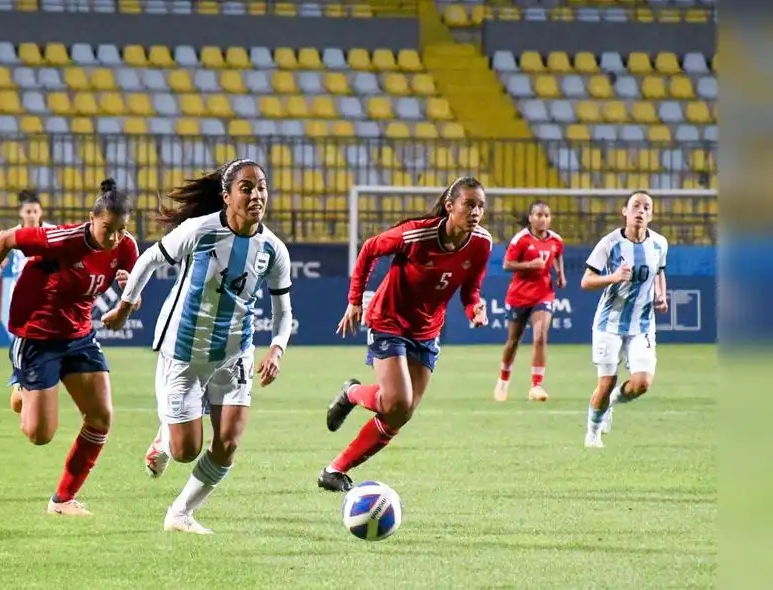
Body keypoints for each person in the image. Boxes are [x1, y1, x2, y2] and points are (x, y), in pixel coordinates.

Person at [103, 159, 293, 534]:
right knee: (186, 449)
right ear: (226, 196)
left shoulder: (273, 250)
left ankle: (180, 514)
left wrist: (277, 349)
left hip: (235, 355)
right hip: (185, 351)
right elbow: (149, 259)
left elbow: (283, 311)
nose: (257, 195)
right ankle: (164, 438)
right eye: (247, 188)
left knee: (228, 444)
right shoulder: (199, 231)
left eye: (262, 187)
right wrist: (125, 305)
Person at [0, 179, 139, 514]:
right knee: (40, 435)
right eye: (107, 229)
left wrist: (126, 305)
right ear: (92, 219)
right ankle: (23, 388)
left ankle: (63, 500)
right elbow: (6, 239)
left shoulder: (126, 248)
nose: (113, 238)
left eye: (121, 230)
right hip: (36, 336)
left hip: (80, 336)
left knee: (101, 417)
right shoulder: (63, 239)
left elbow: (130, 302)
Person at [318, 176, 492, 493]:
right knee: (397, 400)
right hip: (389, 319)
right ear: (450, 206)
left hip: (427, 329)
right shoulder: (418, 233)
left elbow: (471, 290)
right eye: (469, 204)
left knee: (401, 414)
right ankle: (353, 393)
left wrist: (474, 309)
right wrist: (355, 300)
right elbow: (371, 248)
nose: (476, 211)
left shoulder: (481, 243)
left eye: (481, 205)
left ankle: (335, 470)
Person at [580, 190, 668, 448]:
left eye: (646, 207)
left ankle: (611, 405)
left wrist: (661, 294)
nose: (641, 211)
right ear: (625, 212)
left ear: (651, 214)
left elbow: (660, 272)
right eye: (636, 206)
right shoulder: (610, 243)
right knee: (606, 383)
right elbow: (586, 281)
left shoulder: (660, 244)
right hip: (609, 324)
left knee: (642, 384)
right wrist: (614, 277)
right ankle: (593, 433)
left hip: (642, 324)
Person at [494, 201, 566, 402]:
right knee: (513, 341)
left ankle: (536, 385)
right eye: (539, 215)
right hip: (519, 295)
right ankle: (503, 380)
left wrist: (560, 273)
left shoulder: (556, 240)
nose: (543, 219)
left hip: (544, 294)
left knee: (541, 335)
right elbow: (507, 265)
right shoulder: (521, 240)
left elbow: (558, 255)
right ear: (531, 218)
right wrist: (530, 265)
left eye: (546, 215)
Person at [0, 190, 56, 398]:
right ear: (21, 213)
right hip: (21, 296)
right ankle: (20, 377)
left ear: (40, 212)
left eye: (35, 210)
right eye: (28, 211)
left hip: (47, 294)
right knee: (21, 335)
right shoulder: (13, 235)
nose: (32, 214)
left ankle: (41, 375)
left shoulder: (51, 232)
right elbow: (1, 257)